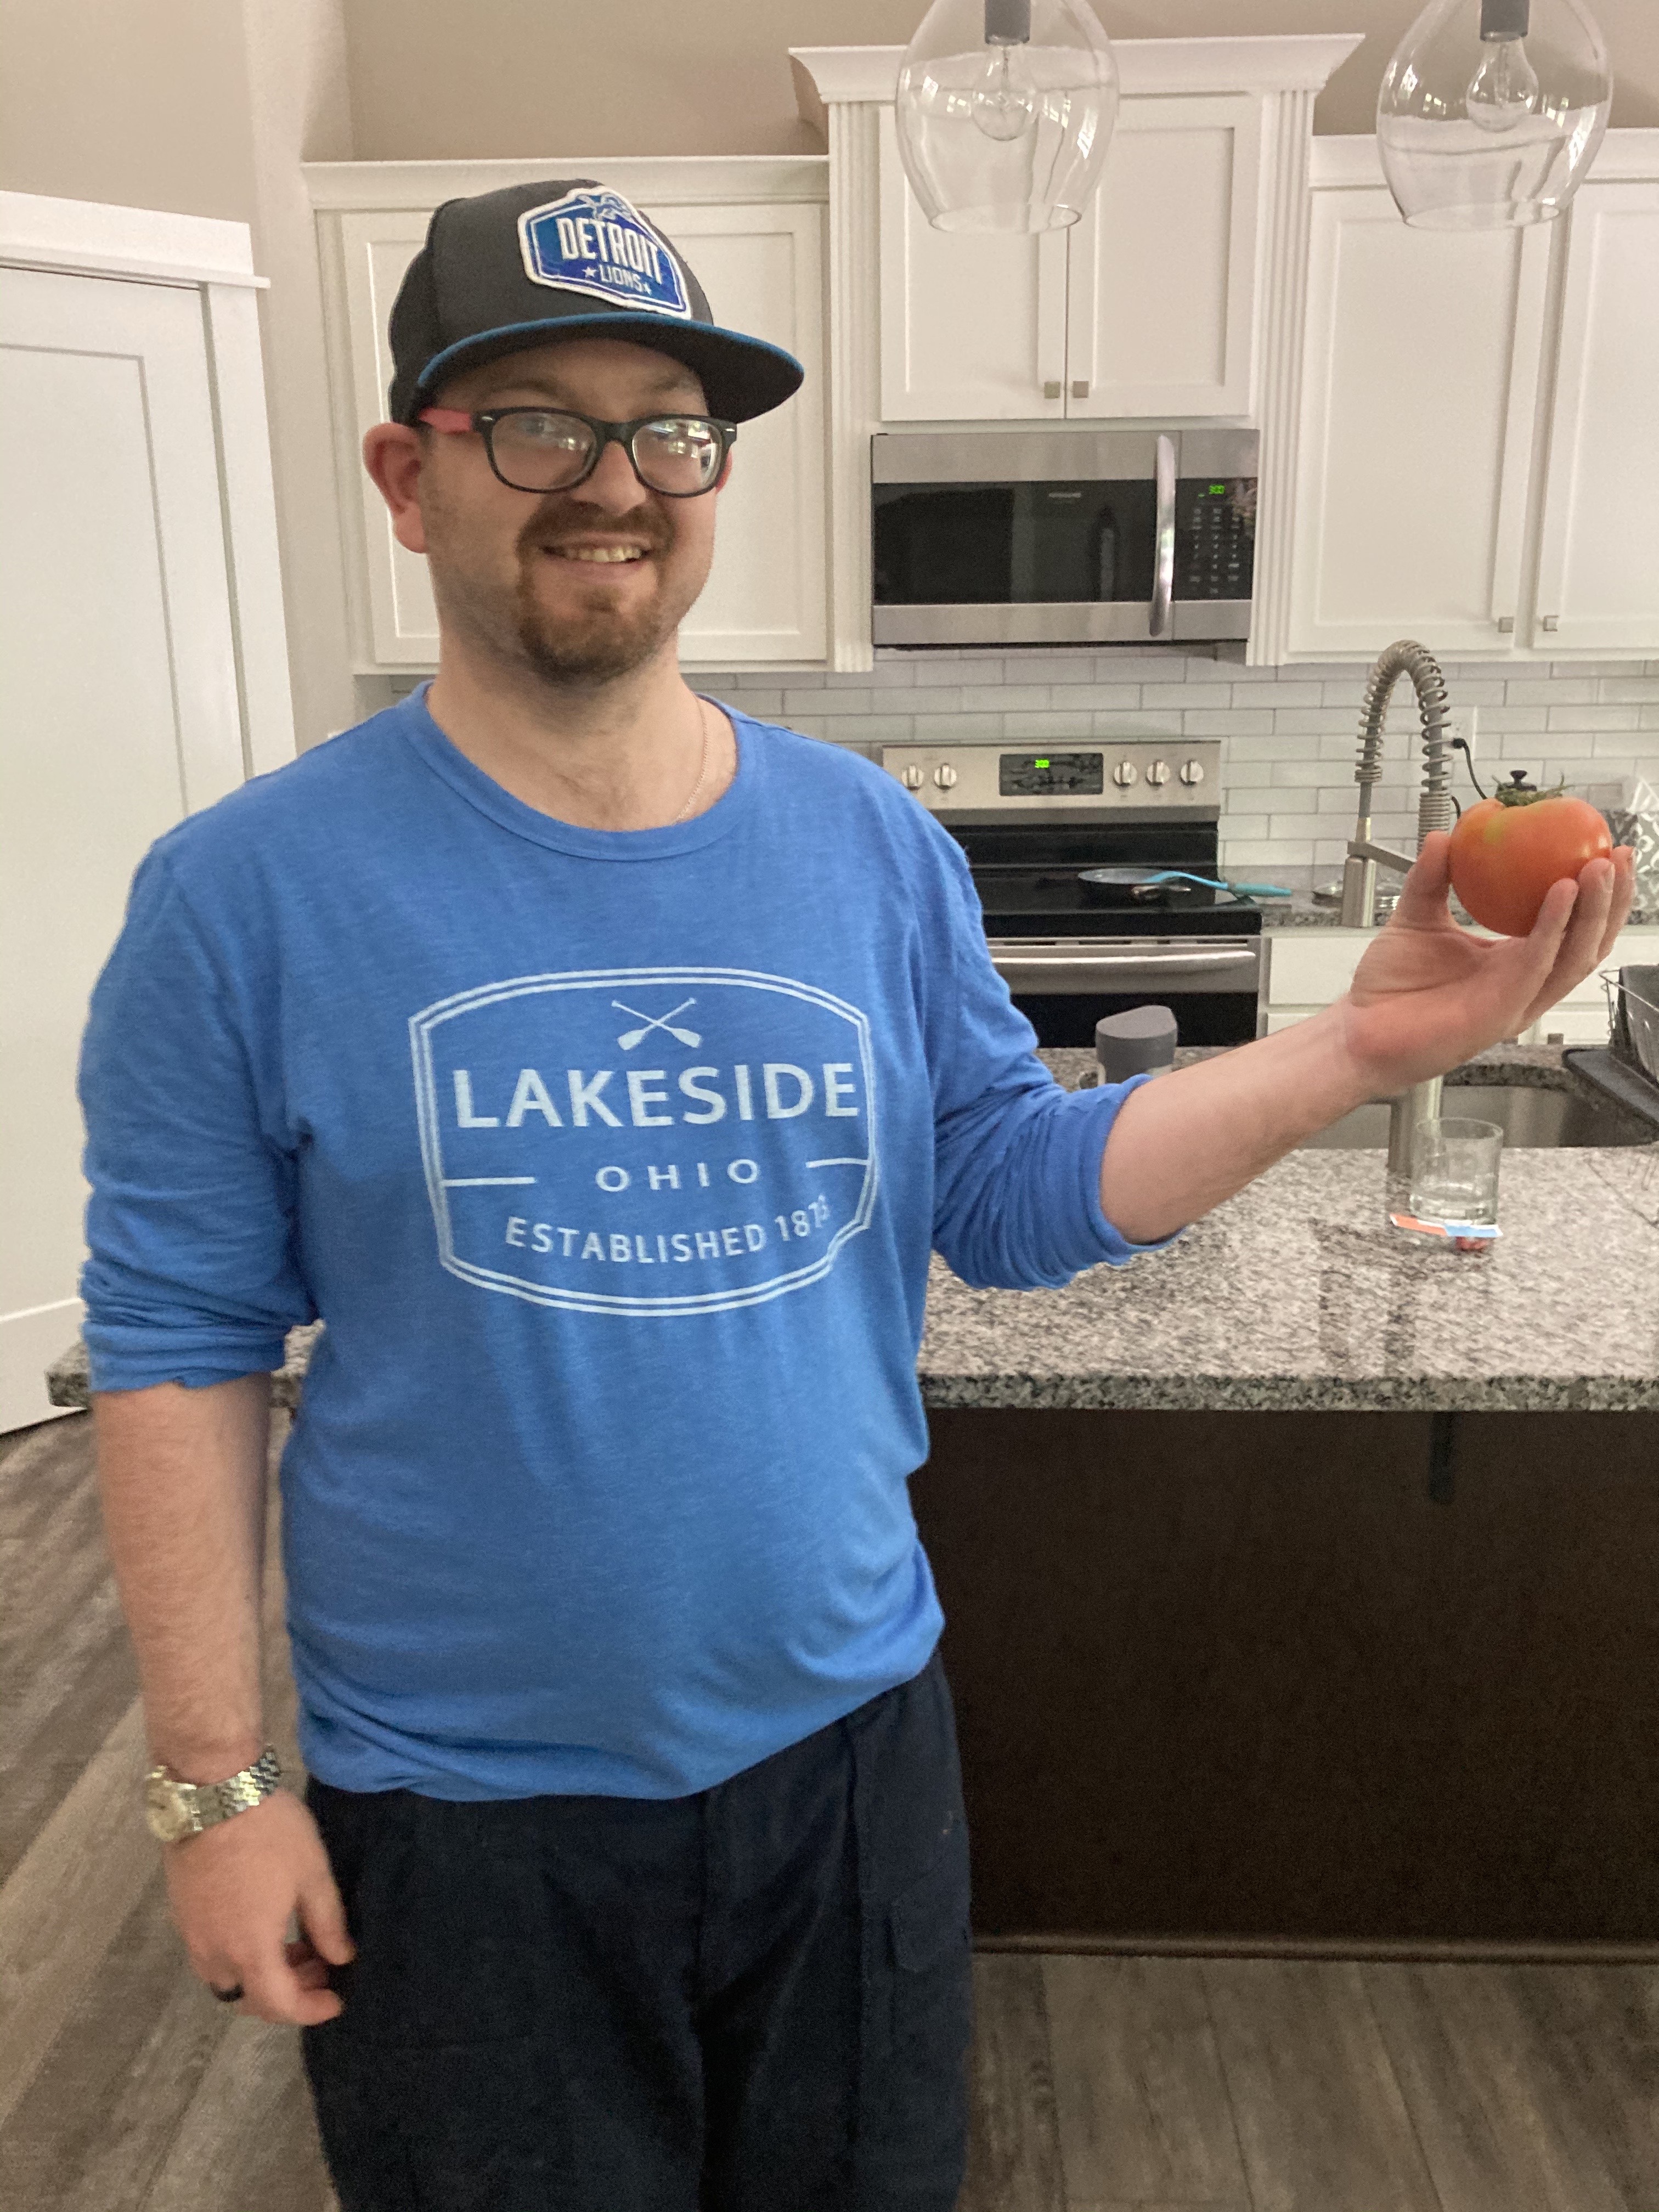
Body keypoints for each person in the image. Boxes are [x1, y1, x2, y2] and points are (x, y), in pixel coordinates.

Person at [80, 179, 1633, 2212]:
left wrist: (1353, 1048)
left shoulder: (867, 844)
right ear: (408, 473)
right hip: (464, 1811)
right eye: (539, 422)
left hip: (849, 1750)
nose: (614, 482)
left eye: (672, 427)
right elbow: (180, 1340)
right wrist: (216, 1790)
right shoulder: (240, 899)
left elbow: (1005, 1190)